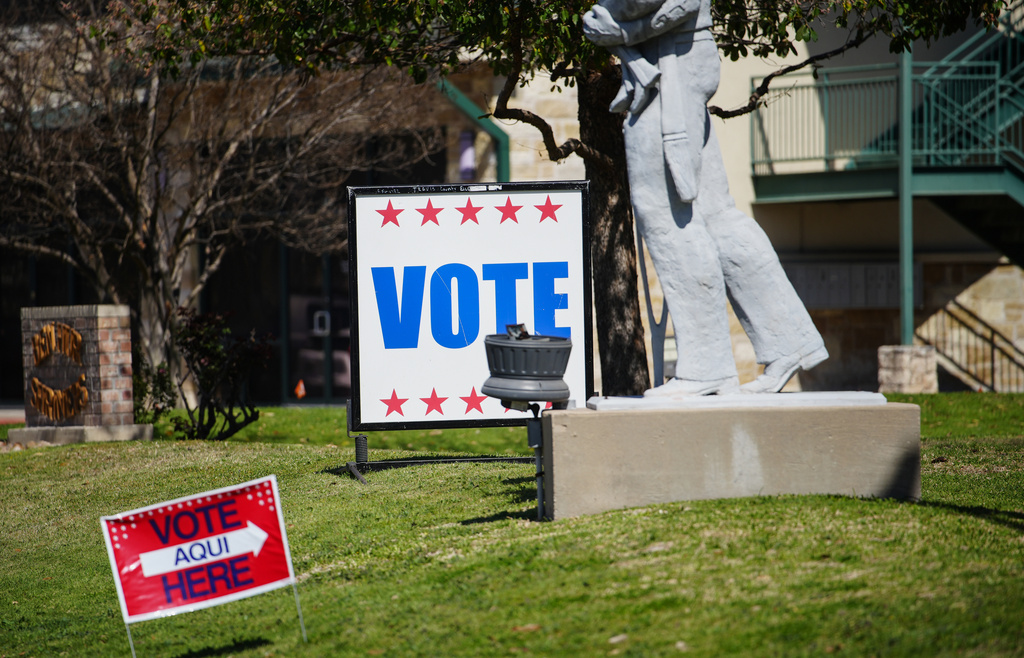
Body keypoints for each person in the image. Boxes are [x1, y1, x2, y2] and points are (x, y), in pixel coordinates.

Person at [584, 0, 827, 395]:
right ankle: (788, 342)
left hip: (670, 73)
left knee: (667, 219)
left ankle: (705, 366)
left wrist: (613, 26)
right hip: (678, 67)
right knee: (715, 216)